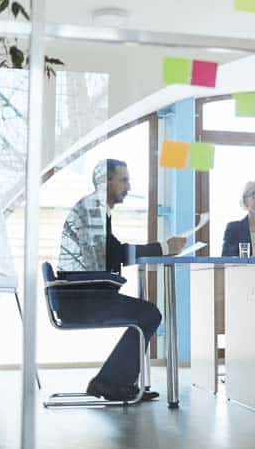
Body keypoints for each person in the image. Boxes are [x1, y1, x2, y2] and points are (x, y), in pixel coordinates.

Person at [57, 159, 184, 402]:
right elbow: (113, 254)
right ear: (106, 182)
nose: (128, 186)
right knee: (148, 314)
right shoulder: (92, 209)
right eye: (123, 180)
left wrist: (161, 248)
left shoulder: (95, 208)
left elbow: (111, 250)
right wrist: (164, 247)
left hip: (81, 294)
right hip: (81, 298)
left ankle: (115, 382)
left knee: (146, 313)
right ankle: (109, 383)